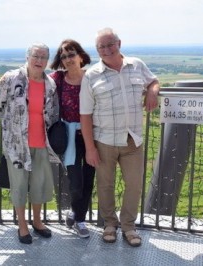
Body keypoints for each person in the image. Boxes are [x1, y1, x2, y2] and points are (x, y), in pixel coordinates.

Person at [80, 27, 159, 247]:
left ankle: (128, 226)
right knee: (105, 185)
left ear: (119, 43)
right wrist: (90, 148)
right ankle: (109, 224)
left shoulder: (137, 65)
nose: (106, 50)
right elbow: (85, 114)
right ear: (97, 50)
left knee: (134, 185)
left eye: (110, 44)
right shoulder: (91, 75)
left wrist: (152, 90)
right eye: (101, 47)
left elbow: (153, 80)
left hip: (133, 139)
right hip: (104, 140)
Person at [0, 43, 59, 245]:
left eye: (43, 57)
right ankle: (22, 225)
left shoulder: (50, 84)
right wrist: (12, 128)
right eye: (35, 56)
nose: (39, 61)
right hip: (16, 144)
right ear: (27, 57)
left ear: (47, 61)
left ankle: (37, 222)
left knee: (38, 183)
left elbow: (52, 113)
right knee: (19, 185)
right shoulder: (11, 79)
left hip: (41, 142)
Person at [49, 39, 95, 238]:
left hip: (93, 136)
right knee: (76, 181)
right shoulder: (57, 79)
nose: (68, 59)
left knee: (89, 180)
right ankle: (77, 214)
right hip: (70, 138)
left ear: (81, 56)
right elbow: (33, 81)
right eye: (64, 56)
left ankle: (79, 217)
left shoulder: (92, 78)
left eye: (71, 54)